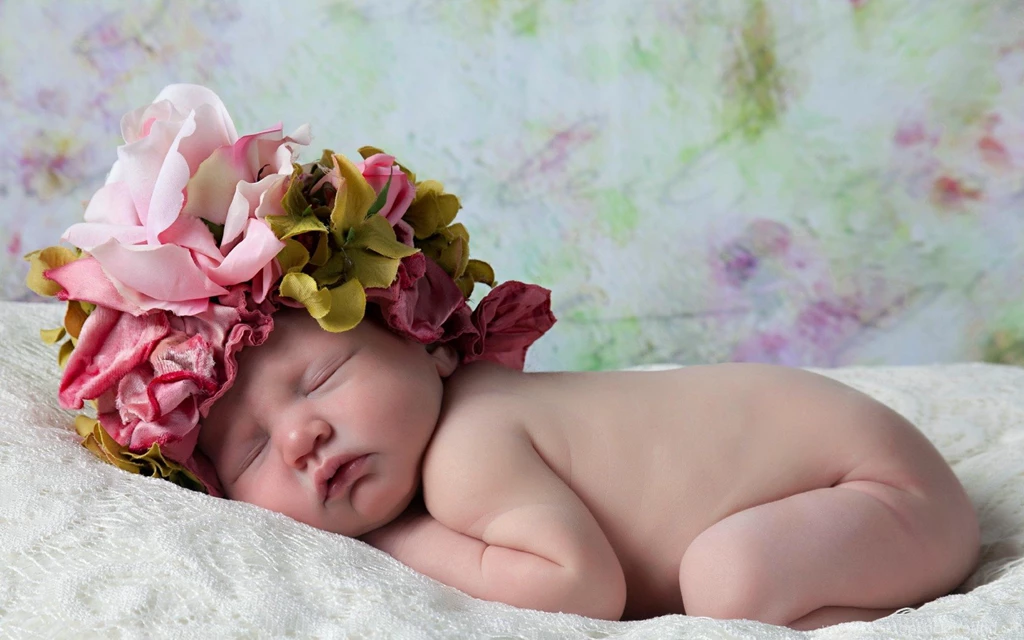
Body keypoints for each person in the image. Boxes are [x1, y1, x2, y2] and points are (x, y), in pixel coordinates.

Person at [28, 85, 979, 630]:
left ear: (428, 336)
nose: (301, 437)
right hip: (852, 471)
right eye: (247, 454)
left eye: (321, 378)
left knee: (733, 581)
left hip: (875, 489)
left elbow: (579, 588)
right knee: (729, 574)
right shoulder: (447, 439)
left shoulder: (470, 445)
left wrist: (390, 542)